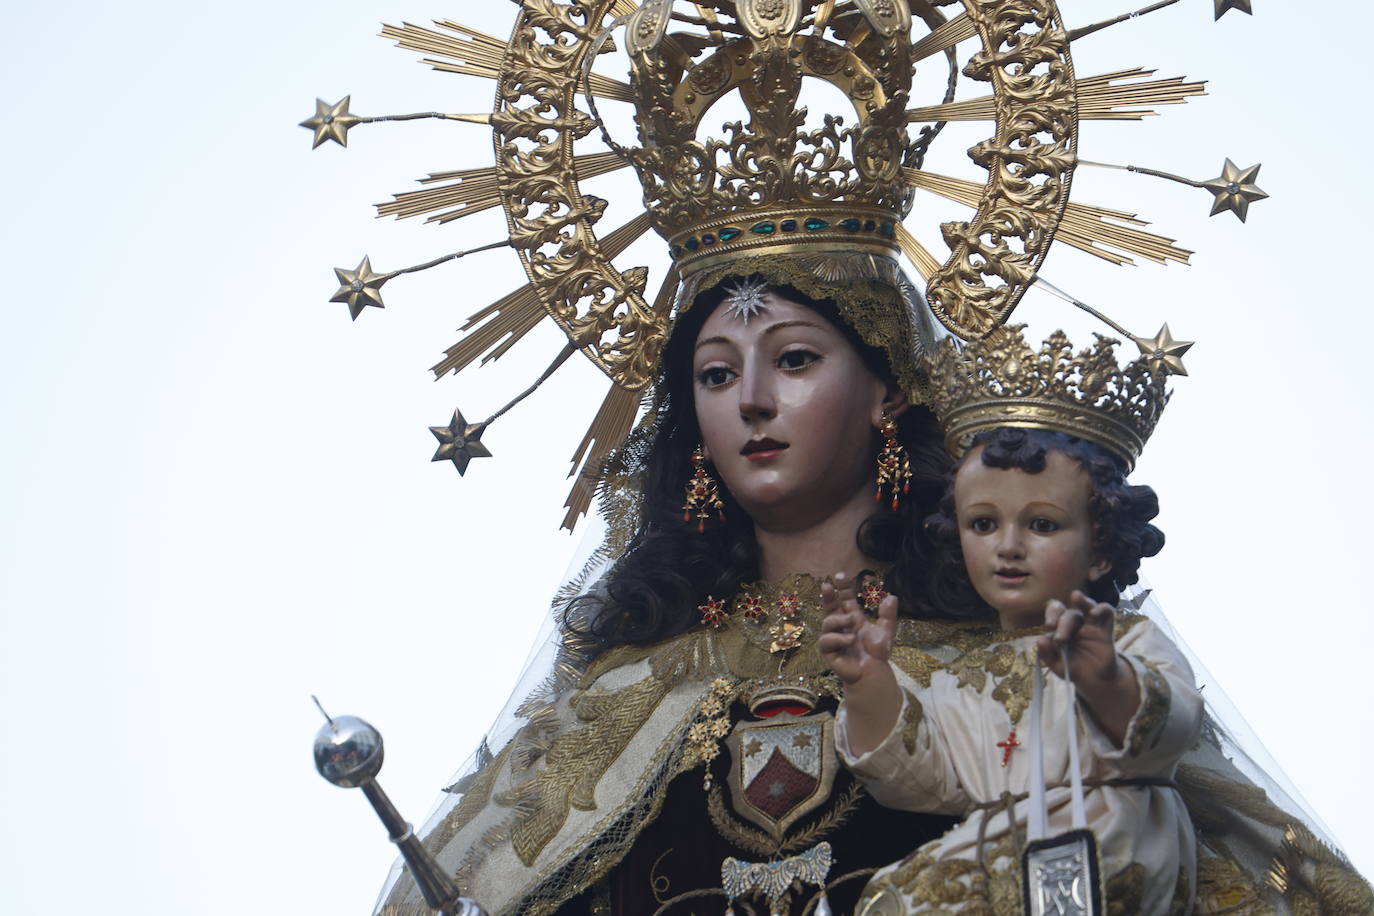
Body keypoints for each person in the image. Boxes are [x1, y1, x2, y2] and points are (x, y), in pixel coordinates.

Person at [820, 420, 1202, 913]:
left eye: (1042, 524)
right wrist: (869, 683)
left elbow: (1171, 731)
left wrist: (1106, 679)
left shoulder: (1125, 640)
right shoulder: (961, 677)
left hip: (1109, 839)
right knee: (891, 900)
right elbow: (921, 780)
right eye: (983, 524)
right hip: (1002, 845)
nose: (1008, 546)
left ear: (1101, 550)